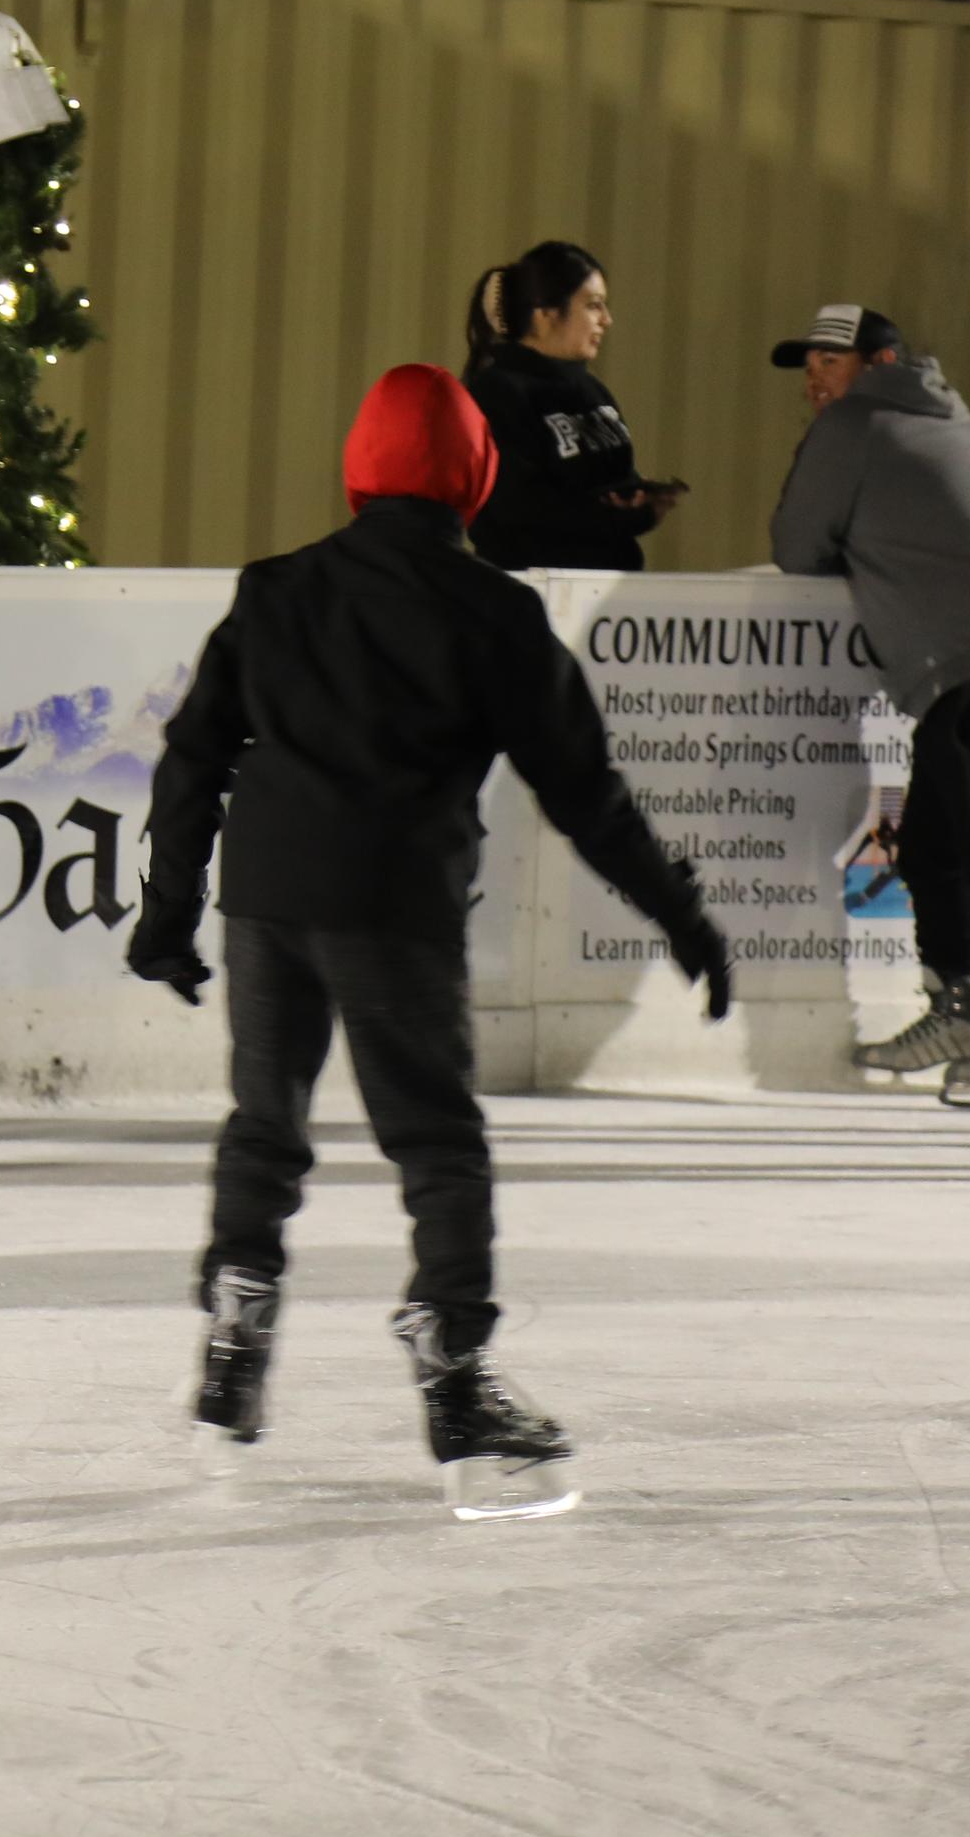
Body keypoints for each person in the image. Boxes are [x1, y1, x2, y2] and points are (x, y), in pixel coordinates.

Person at [132, 363, 728, 1520]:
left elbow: (194, 755)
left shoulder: (277, 589)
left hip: (264, 898)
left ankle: (232, 1346)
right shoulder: (494, 614)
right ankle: (458, 1384)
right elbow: (588, 795)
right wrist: (684, 915)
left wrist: (165, 909)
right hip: (390, 905)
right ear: (475, 476)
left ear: (359, 467)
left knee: (265, 1124)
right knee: (438, 1148)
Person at [766, 304, 970, 1102]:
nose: (814, 379)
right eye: (807, 365)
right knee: (934, 848)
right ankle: (959, 1008)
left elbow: (795, 547)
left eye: (829, 363)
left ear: (878, 365)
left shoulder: (852, 429)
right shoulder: (958, 422)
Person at [461, 242, 679, 572]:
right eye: (593, 306)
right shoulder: (495, 393)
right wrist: (617, 518)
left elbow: (613, 477)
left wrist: (637, 497)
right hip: (534, 594)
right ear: (546, 313)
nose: (607, 320)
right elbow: (518, 508)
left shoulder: (593, 392)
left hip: (608, 595)